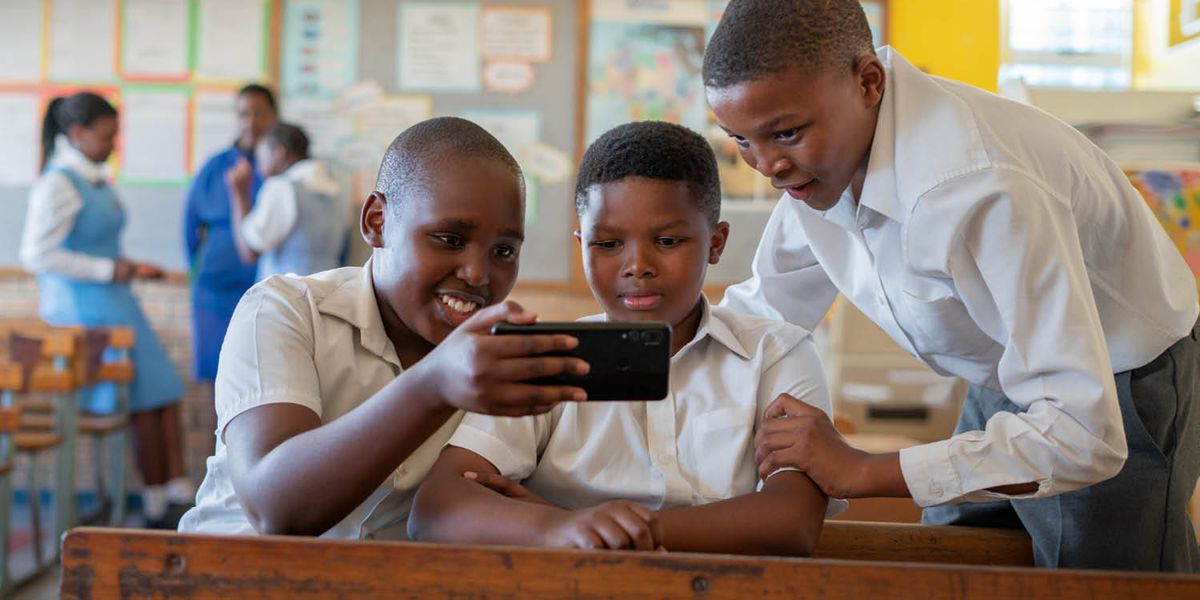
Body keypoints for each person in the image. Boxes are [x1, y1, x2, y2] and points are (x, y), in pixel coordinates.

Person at [703, 0, 1200, 571]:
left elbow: (1085, 435)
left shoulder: (979, 186)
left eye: (783, 133)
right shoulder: (824, 153)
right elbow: (765, 309)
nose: (766, 166)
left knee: (1093, 575)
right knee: (951, 561)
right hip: (1004, 366)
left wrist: (862, 468)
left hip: (1117, 377)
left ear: (869, 82)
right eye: (741, 140)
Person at [408, 121, 835, 555]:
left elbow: (792, 521)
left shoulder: (776, 354)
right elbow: (437, 507)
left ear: (716, 243)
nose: (637, 266)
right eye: (608, 244)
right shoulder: (543, 359)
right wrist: (561, 530)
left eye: (668, 240)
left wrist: (590, 528)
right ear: (582, 245)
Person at [177, 117, 588, 539]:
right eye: (449, 239)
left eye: (503, 251)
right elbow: (276, 508)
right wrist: (434, 385)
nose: (477, 273)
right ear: (377, 222)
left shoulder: (502, 365)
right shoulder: (285, 310)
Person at [21, 91, 193, 527]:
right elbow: (36, 255)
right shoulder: (58, 183)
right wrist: (109, 268)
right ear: (77, 133)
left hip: (116, 299)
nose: (113, 145)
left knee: (165, 391)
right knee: (144, 398)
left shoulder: (94, 178)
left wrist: (130, 267)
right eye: (106, 136)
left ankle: (177, 492)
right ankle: (158, 505)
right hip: (84, 306)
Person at [183, 83, 278, 383]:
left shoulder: (283, 168)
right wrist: (197, 272)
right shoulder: (215, 167)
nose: (251, 122)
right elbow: (190, 226)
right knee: (219, 377)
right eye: (243, 114)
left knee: (262, 377)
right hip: (215, 290)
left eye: (259, 113)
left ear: (274, 116)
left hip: (266, 289)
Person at [226, 122, 347, 281]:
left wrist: (239, 194)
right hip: (328, 292)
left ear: (279, 153)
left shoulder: (281, 187)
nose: (258, 164)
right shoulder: (336, 188)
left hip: (287, 298)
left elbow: (250, 251)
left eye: (261, 154)